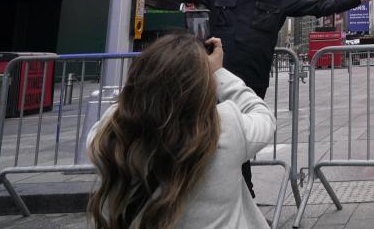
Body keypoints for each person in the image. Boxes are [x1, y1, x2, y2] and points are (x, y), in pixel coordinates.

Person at [102, 0, 374, 196]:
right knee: (200, 131)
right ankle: (196, 187)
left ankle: (242, 192)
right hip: (210, 76)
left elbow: (320, 6)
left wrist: (356, 0)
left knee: (238, 136)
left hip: (250, 82)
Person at [86, 34, 274, 228]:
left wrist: (142, 92)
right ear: (203, 87)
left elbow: (122, 110)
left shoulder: (111, 135)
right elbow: (263, 115)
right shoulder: (224, 129)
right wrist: (218, 71)